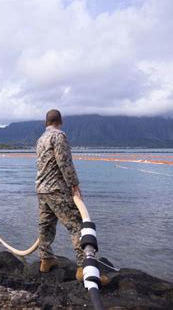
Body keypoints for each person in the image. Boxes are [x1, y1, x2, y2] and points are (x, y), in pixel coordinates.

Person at [35, 109, 109, 284]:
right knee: (77, 224)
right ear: (60, 121)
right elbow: (64, 162)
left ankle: (46, 260)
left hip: (41, 189)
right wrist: (75, 186)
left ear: (46, 123)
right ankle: (84, 268)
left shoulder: (40, 139)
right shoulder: (59, 136)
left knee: (46, 225)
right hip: (56, 189)